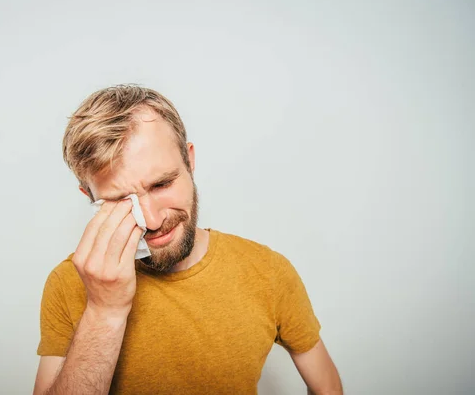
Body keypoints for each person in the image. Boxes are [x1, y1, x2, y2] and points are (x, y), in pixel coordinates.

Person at [32, 85, 343, 395]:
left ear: (189, 160)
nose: (152, 221)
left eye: (162, 183)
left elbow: (327, 386)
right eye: (121, 201)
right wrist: (104, 311)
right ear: (89, 196)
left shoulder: (268, 271)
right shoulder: (68, 283)